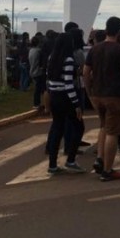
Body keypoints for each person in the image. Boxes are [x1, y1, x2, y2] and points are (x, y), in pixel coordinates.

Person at [82, 16, 120, 182]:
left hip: (97, 95)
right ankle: (107, 170)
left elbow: (85, 73)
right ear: (118, 31)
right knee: (113, 132)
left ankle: (100, 159)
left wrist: (89, 92)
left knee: (103, 126)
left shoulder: (95, 49)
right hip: (114, 95)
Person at [45, 32, 86, 174]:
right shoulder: (68, 60)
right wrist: (76, 104)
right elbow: (69, 84)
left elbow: (48, 80)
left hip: (54, 96)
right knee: (79, 127)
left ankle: (52, 164)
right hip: (66, 97)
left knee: (57, 128)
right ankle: (71, 159)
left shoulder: (52, 58)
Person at [28, 35, 45, 113]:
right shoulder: (39, 51)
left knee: (38, 88)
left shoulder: (31, 50)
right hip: (38, 72)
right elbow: (41, 62)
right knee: (39, 89)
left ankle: (38, 103)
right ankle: (36, 104)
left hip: (32, 71)